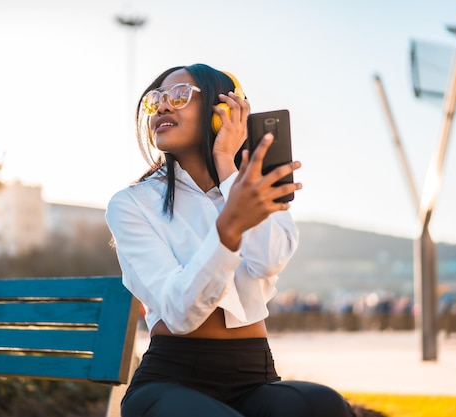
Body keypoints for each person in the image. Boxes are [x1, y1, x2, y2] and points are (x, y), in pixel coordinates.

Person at [105, 63, 355, 417]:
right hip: (172, 377)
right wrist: (228, 231)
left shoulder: (253, 185)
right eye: (155, 100)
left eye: (179, 97)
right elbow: (179, 312)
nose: (162, 106)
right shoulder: (131, 204)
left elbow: (268, 260)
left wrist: (228, 169)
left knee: (324, 406)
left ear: (220, 114)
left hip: (255, 375)